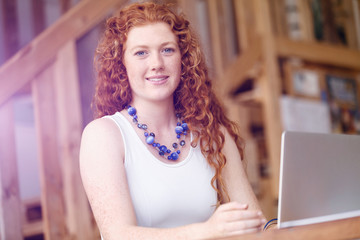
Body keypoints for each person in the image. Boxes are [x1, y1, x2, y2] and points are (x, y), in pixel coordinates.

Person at [79, 2, 266, 239]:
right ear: (121, 64)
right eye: (141, 52)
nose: (157, 63)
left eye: (167, 50)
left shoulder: (212, 133)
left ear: (183, 59)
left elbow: (255, 223)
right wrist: (207, 231)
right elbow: (118, 235)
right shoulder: (103, 136)